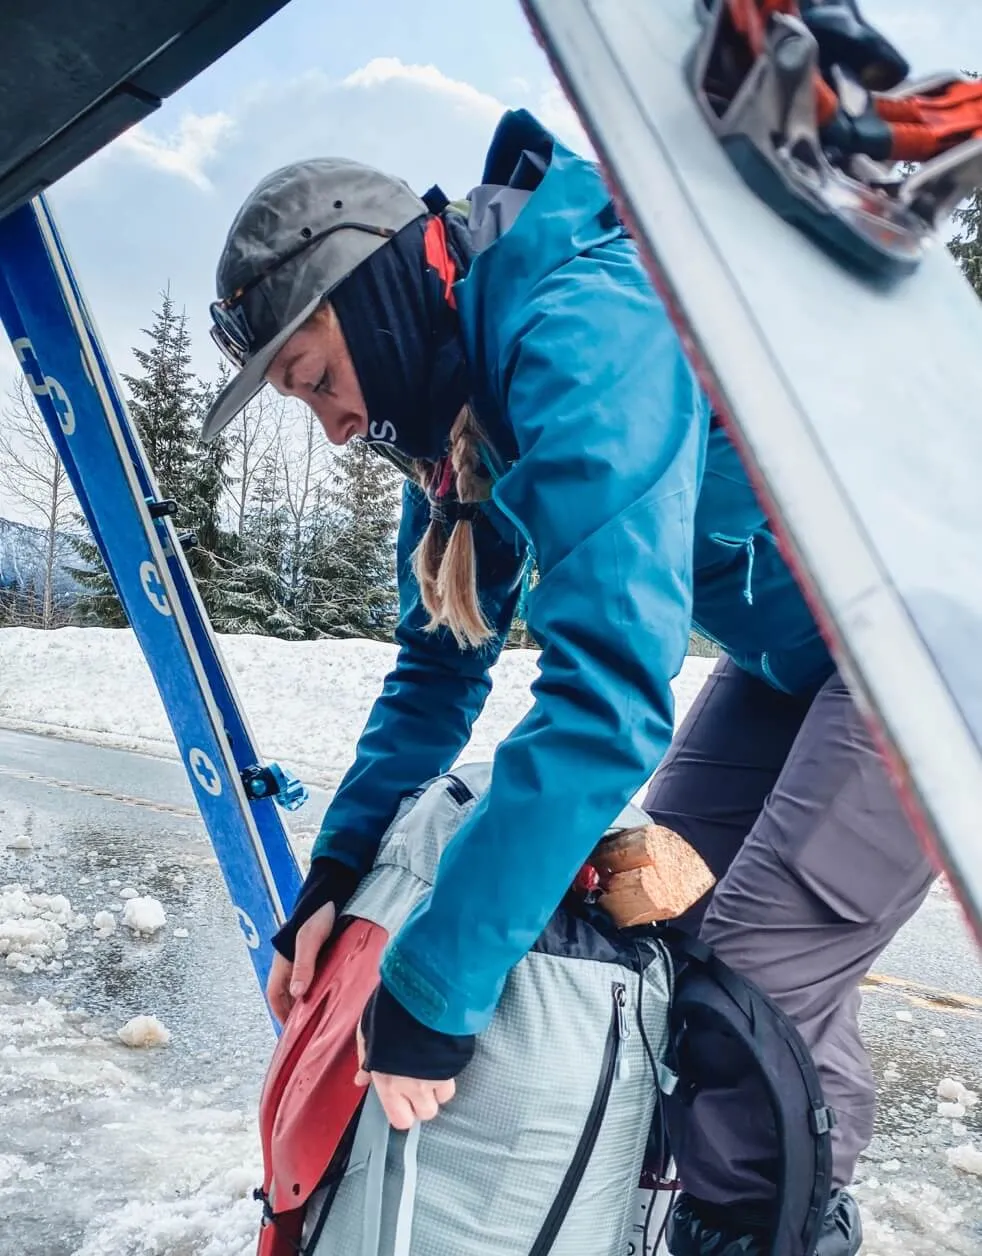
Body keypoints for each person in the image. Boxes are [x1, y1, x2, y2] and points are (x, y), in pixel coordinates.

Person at [200, 104, 934, 1256]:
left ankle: (776, 1231)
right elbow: (435, 673)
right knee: (653, 920)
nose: (333, 426)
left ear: (374, 291)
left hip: (932, 637)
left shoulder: (578, 318)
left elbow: (606, 695)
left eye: (314, 376)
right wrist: (331, 874)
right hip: (797, 652)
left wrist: (436, 985)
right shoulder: (461, 409)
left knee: (745, 996)